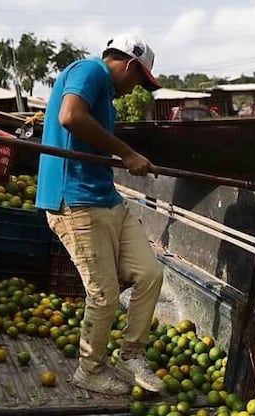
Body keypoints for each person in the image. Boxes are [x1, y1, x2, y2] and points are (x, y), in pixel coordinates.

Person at [36, 34, 166, 397]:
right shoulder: (90, 70)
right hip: (74, 202)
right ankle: (89, 369)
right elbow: (69, 116)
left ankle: (131, 354)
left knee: (150, 274)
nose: (135, 88)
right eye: (140, 80)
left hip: (107, 198)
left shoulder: (105, 94)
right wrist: (127, 153)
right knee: (105, 293)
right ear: (129, 65)